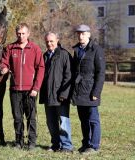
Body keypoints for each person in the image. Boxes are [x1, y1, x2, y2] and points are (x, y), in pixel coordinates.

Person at [0, 23, 45, 150]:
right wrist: (3, 68)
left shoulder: (35, 49)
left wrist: (36, 88)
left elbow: (41, 69)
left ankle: (31, 142)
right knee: (17, 117)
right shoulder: (10, 48)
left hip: (30, 90)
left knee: (31, 117)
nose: (21, 36)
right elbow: (4, 62)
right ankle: (18, 142)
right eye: (19, 34)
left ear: (28, 34)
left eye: (23, 33)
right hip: (15, 89)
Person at [72, 24, 105, 154]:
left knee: (93, 119)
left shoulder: (97, 50)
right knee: (83, 119)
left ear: (89, 35)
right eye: (79, 33)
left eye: (83, 33)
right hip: (79, 90)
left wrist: (96, 92)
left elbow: (101, 73)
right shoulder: (77, 50)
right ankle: (86, 143)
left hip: (91, 91)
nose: (80, 36)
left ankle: (94, 145)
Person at [39, 32, 73, 153]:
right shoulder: (44, 56)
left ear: (57, 40)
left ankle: (67, 146)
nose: (49, 43)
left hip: (61, 96)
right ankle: (55, 144)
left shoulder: (64, 55)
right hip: (48, 96)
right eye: (47, 41)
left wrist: (64, 94)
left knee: (63, 121)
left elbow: (69, 76)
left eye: (51, 41)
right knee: (51, 122)